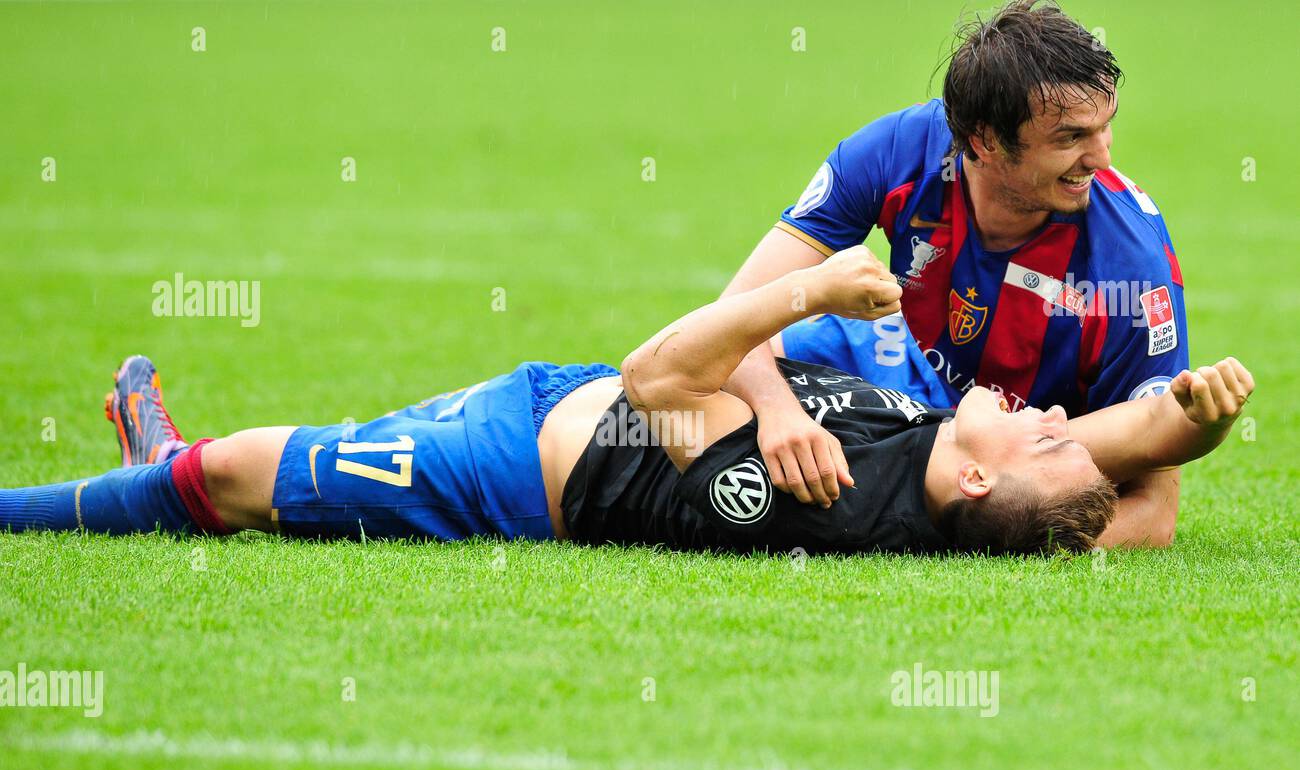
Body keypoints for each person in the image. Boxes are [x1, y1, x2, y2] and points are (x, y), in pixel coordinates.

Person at [0, 249, 1252, 556]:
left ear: (979, 480)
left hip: (511, 463)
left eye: (1038, 431)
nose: (1046, 411)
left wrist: (802, 285)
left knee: (238, 482)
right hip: (561, 401)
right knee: (263, 470)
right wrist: (1206, 409)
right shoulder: (950, 452)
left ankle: (38, 507)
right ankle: (151, 470)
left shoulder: (809, 499)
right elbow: (1127, 457)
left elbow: (657, 377)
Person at [719, 0, 1190, 548]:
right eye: (1070, 138)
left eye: (1105, 128)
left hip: (1025, 440)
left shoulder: (1133, 266)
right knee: (705, 385)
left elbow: (1155, 513)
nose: (1102, 159)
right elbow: (733, 316)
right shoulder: (896, 154)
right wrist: (776, 412)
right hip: (899, 367)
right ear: (985, 141)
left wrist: (981, 533)